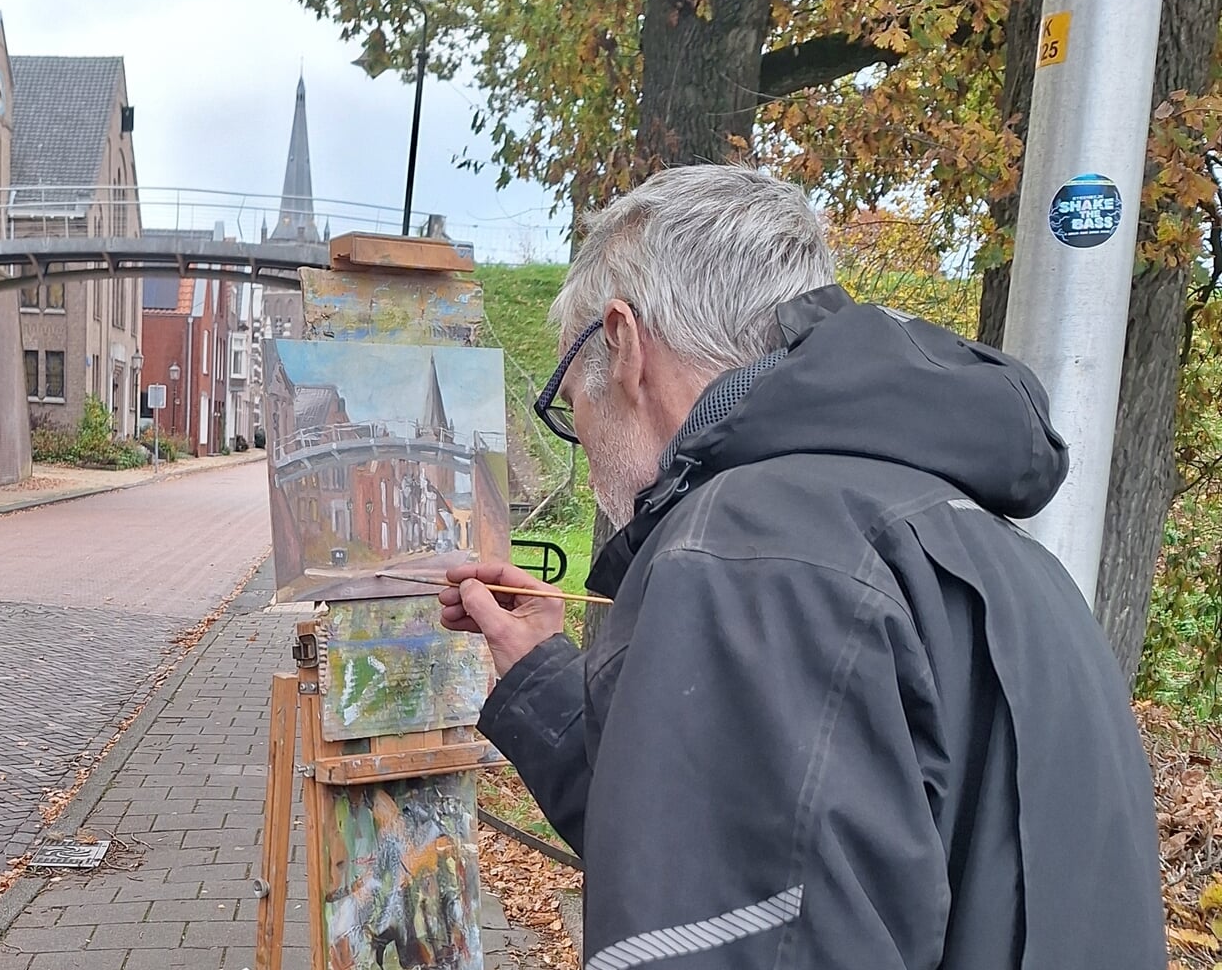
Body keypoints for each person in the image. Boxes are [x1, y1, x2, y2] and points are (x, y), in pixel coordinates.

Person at [441, 165, 1164, 969]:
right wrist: (538, 672)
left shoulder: (747, 556)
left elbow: (736, 930)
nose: (582, 435)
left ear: (622, 342)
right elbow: (737, 846)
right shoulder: (983, 545)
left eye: (568, 398)